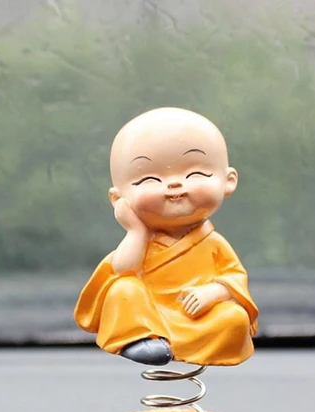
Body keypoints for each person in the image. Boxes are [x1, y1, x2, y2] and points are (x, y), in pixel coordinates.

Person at [74, 107, 258, 366]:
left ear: (228, 181)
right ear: (118, 198)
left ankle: (178, 345)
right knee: (124, 290)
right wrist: (136, 232)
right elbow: (124, 269)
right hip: (147, 312)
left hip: (196, 315)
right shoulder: (141, 240)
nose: (174, 184)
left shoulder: (213, 243)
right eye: (149, 179)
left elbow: (234, 277)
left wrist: (213, 292)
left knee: (234, 318)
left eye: (195, 174)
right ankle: (139, 339)